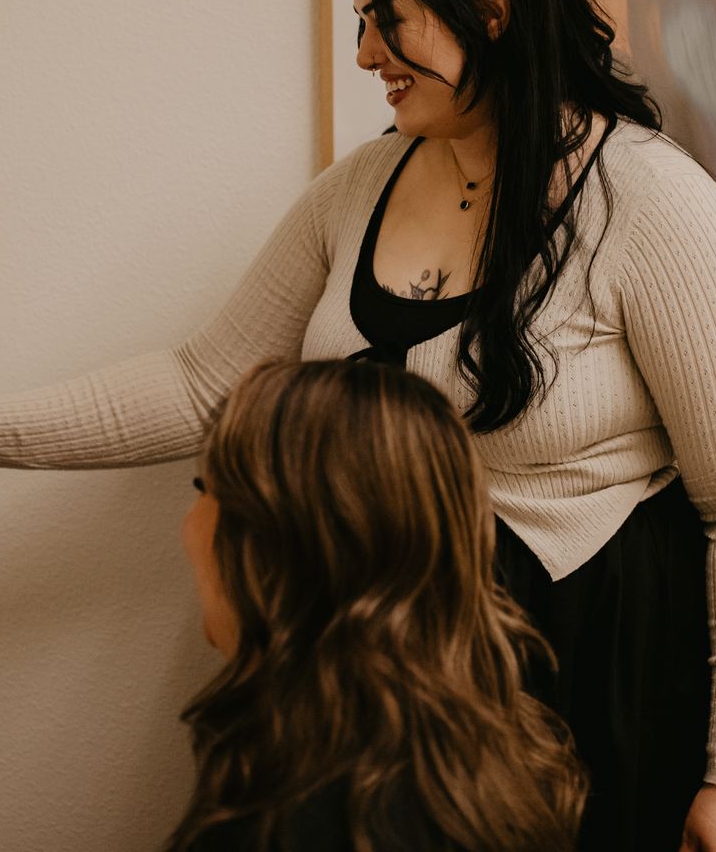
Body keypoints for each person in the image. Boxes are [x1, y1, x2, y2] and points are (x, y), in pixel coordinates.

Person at [0, 0, 716, 852]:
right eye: (361, 21)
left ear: (492, 13)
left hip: (606, 679)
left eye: (388, 19)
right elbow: (206, 381)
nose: (365, 54)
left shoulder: (652, 200)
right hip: (416, 698)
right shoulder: (359, 188)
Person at [168, 357, 584, 852]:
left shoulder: (278, 824)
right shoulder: (500, 765)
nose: (188, 523)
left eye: (205, 488)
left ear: (276, 545)